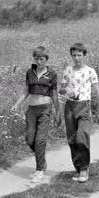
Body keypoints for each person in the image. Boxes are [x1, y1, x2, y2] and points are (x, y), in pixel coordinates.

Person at [11, 46, 61, 184]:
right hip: (32, 110)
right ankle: (42, 160)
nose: (39, 61)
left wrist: (58, 112)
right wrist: (17, 104)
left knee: (40, 140)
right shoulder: (29, 72)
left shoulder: (52, 74)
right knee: (29, 139)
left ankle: (39, 170)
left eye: (42, 59)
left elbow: (54, 95)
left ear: (46, 60)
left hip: (45, 109)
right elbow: (26, 91)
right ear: (34, 59)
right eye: (37, 58)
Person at [60, 42, 99, 183]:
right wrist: (67, 91)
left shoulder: (90, 71)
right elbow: (61, 90)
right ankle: (79, 169)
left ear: (84, 55)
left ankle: (84, 169)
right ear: (71, 56)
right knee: (72, 140)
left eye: (79, 55)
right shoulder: (67, 70)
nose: (77, 58)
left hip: (84, 106)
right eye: (74, 55)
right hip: (70, 107)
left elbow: (97, 93)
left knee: (82, 137)